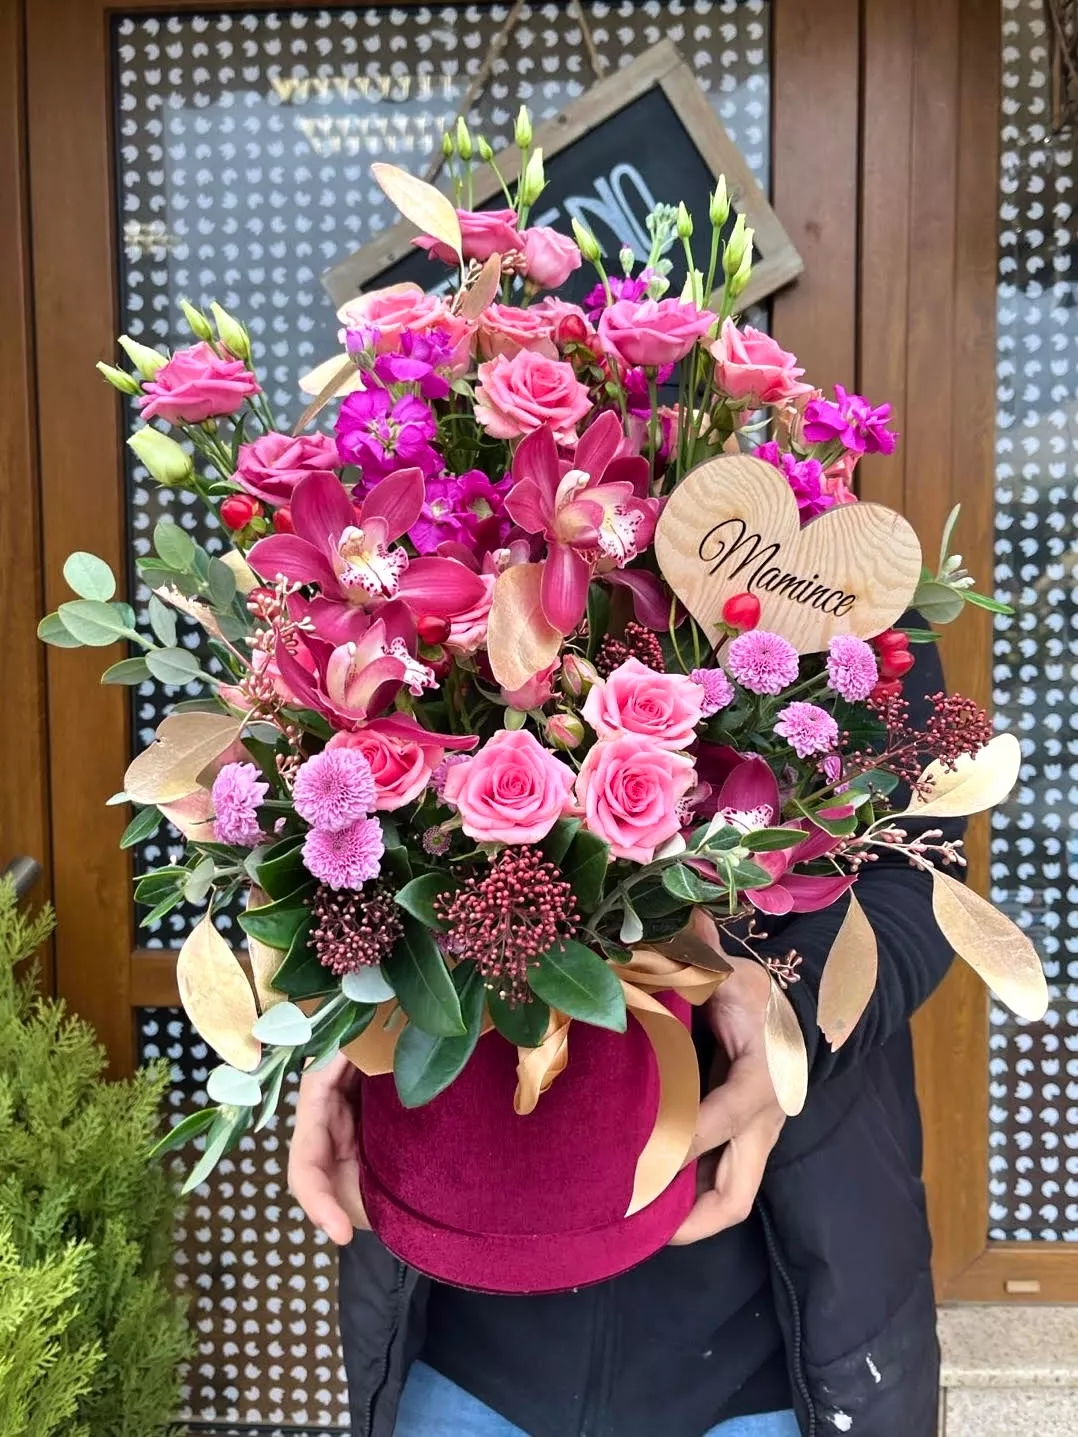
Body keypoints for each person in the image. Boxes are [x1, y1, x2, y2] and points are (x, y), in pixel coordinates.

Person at [288, 632, 960, 1437]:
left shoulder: (837, 591)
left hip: (770, 1351)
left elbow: (914, 883)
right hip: (456, 1345)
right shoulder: (396, 604)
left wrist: (791, 1014)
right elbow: (309, 844)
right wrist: (340, 1022)